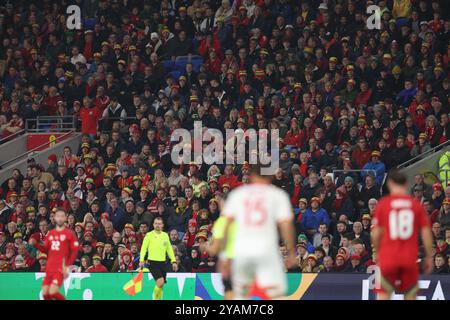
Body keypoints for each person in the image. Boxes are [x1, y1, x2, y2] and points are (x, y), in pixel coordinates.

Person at [222, 164, 296, 299]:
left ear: (251, 176)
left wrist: (226, 256)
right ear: (269, 176)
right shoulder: (277, 195)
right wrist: (291, 252)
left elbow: (226, 226)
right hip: (266, 250)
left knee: (240, 294)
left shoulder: (238, 195)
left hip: (242, 251)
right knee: (275, 294)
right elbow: (286, 225)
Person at [371, 170, 433, 300]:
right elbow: (426, 234)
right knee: (410, 295)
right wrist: (428, 256)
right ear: (406, 184)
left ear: (390, 183)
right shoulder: (415, 205)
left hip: (388, 258)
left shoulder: (384, 204)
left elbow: (376, 234)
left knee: (383, 295)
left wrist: (378, 253)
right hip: (408, 259)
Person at [40, 209, 80, 300]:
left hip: (59, 267)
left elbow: (74, 251)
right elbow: (45, 250)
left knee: (53, 292)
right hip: (50, 267)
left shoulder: (69, 234)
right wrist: (36, 245)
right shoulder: (51, 234)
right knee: (45, 294)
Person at [139, 217, 178, 300]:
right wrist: (141, 259)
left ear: (162, 225)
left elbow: (169, 249)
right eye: (156, 223)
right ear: (153, 224)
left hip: (162, 263)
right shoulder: (149, 235)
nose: (157, 225)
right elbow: (143, 248)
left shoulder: (165, 235)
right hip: (152, 262)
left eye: (159, 224)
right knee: (160, 282)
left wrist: (173, 261)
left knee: (161, 285)